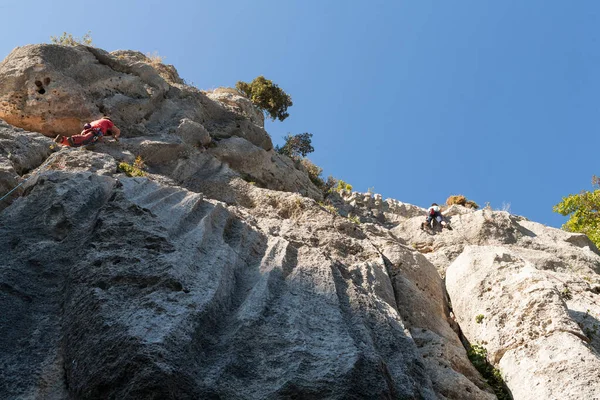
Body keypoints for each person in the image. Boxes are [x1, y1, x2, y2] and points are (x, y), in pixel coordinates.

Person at [54, 117, 121, 147]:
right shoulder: (107, 121)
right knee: (85, 139)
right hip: (95, 131)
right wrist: (116, 136)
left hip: (87, 130)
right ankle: (71, 139)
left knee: (82, 142)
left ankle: (62, 140)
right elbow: (117, 130)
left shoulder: (95, 121)